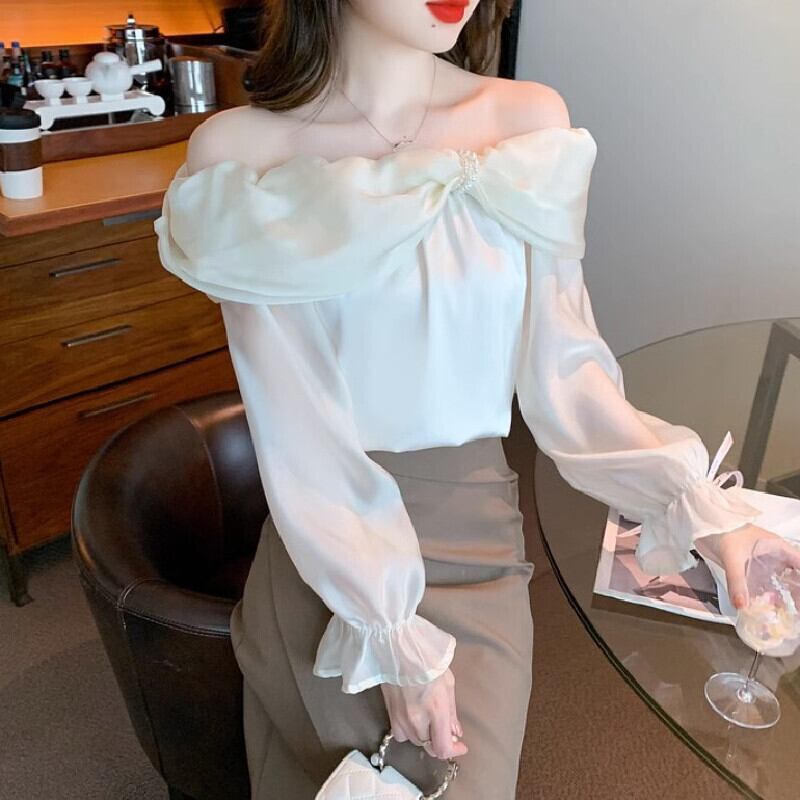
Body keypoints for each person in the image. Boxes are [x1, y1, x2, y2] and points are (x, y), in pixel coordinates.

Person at [154, 1, 800, 796]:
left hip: (480, 543)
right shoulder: (241, 154)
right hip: (332, 558)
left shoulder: (527, 122)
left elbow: (569, 372)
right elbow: (295, 421)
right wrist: (389, 636)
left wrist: (707, 515)